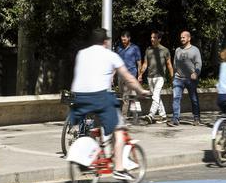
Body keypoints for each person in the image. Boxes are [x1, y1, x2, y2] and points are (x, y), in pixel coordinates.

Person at [69, 28, 146, 170]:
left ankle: (92, 151)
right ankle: (119, 168)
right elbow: (128, 77)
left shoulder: (81, 54)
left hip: (79, 97)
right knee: (119, 129)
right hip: (99, 97)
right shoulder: (110, 54)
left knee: (93, 126)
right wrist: (141, 90)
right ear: (105, 41)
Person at [139, 30, 173, 124]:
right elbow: (145, 63)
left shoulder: (165, 50)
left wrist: (172, 76)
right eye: (151, 37)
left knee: (155, 95)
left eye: (154, 37)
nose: (152, 39)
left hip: (160, 77)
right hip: (150, 77)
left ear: (159, 39)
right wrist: (141, 74)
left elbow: (169, 64)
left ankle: (151, 115)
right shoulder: (148, 50)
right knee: (157, 97)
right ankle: (163, 116)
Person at [172, 30, 202, 126]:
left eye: (184, 37)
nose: (182, 39)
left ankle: (196, 117)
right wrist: (174, 75)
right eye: (181, 37)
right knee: (176, 98)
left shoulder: (195, 50)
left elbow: (199, 63)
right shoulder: (177, 50)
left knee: (194, 98)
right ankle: (175, 119)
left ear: (189, 38)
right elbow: (175, 64)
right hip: (178, 78)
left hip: (191, 79)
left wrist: (196, 73)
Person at [114, 31, 143, 122]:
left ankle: (123, 116)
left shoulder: (135, 48)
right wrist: (113, 75)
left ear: (129, 38)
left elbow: (139, 62)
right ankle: (132, 114)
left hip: (131, 75)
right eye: (122, 40)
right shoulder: (119, 48)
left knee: (126, 96)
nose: (123, 41)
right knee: (122, 95)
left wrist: (140, 74)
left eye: (125, 39)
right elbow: (116, 63)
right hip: (120, 75)